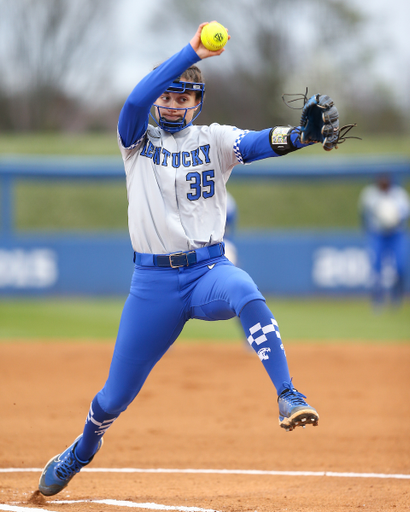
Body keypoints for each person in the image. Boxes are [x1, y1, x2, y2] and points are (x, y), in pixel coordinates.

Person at [39, 21, 333, 497]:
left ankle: (287, 394)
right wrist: (190, 53)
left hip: (206, 271)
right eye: (169, 96)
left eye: (185, 98)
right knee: (114, 398)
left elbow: (259, 143)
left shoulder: (214, 140)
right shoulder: (136, 141)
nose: (174, 104)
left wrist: (302, 136)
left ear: (198, 104)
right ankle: (83, 449)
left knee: (244, 289)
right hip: (152, 285)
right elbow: (135, 101)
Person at [359, 174, 409, 306]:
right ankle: (377, 298)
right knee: (376, 267)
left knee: (400, 266)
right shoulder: (369, 195)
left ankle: (396, 297)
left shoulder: (399, 195)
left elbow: (403, 215)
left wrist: (393, 219)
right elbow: (364, 214)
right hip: (377, 234)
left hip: (396, 234)